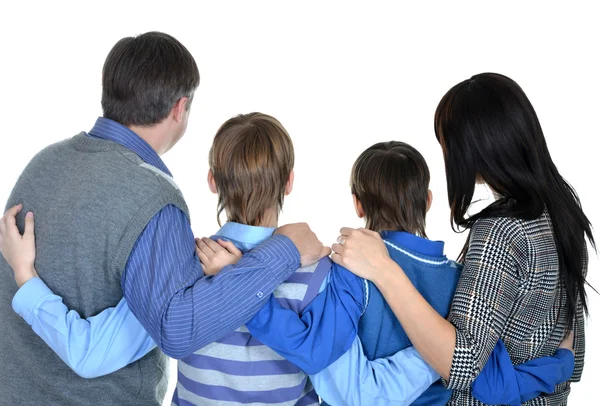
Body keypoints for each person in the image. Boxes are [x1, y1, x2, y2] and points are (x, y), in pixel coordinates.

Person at [0, 125, 572, 406]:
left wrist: (26, 279)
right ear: (292, 182)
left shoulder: (180, 270)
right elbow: (341, 379)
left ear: (211, 183)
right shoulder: (326, 275)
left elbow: (93, 351)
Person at [0, 33, 327, 406]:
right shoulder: (152, 196)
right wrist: (282, 251)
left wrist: (26, 277)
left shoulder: (43, 164)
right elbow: (177, 329)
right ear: (180, 107)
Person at [328, 73, 593, 404]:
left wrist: (384, 269)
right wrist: (555, 368)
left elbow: (461, 364)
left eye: (448, 143)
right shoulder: (563, 215)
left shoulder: (501, 230)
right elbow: (575, 361)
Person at [245, 140, 575, 405]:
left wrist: (244, 297)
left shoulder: (348, 272)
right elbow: (489, 376)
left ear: (358, 204)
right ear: (428, 200)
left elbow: (315, 350)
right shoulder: (462, 279)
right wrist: (560, 363)